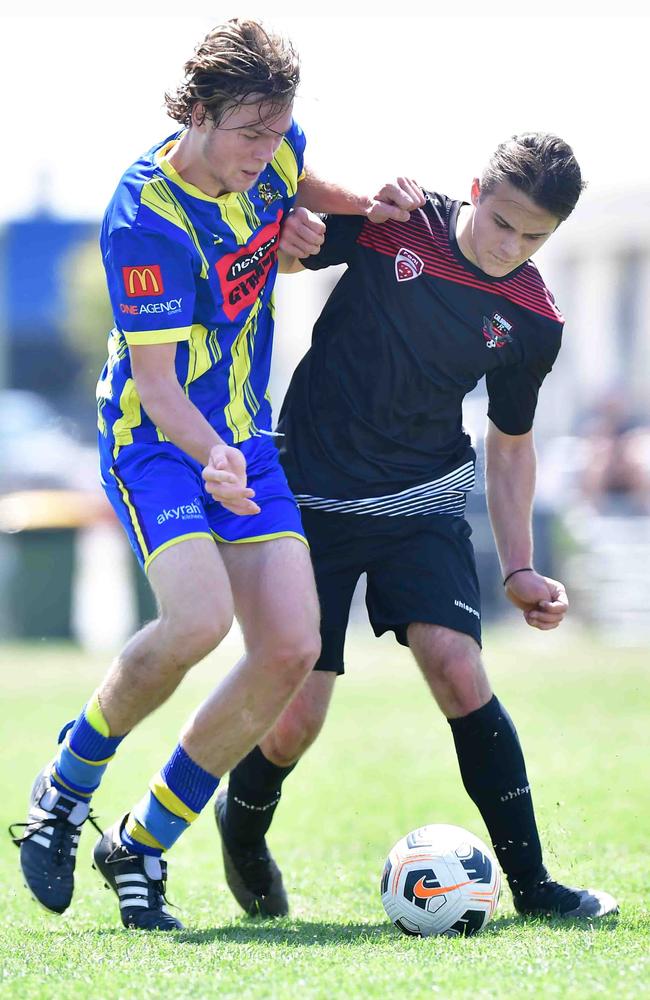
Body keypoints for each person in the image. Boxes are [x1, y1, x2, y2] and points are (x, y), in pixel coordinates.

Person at [10, 18, 421, 931]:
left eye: (277, 132)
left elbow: (305, 180)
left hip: (245, 438)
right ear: (196, 114)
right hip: (159, 441)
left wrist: (370, 204)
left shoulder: (271, 150)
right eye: (249, 134)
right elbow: (156, 385)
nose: (265, 152)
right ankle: (65, 783)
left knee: (288, 649)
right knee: (196, 620)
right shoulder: (144, 216)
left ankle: (141, 844)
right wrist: (212, 459)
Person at [209, 132, 620, 920]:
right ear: (475, 189)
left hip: (423, 497)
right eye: (501, 222)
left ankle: (533, 890)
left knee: (457, 668)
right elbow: (289, 248)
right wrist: (296, 231)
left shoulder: (534, 318)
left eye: (534, 237)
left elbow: (510, 447)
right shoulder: (398, 219)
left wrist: (520, 566)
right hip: (314, 494)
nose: (511, 247)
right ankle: (244, 826)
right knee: (298, 717)